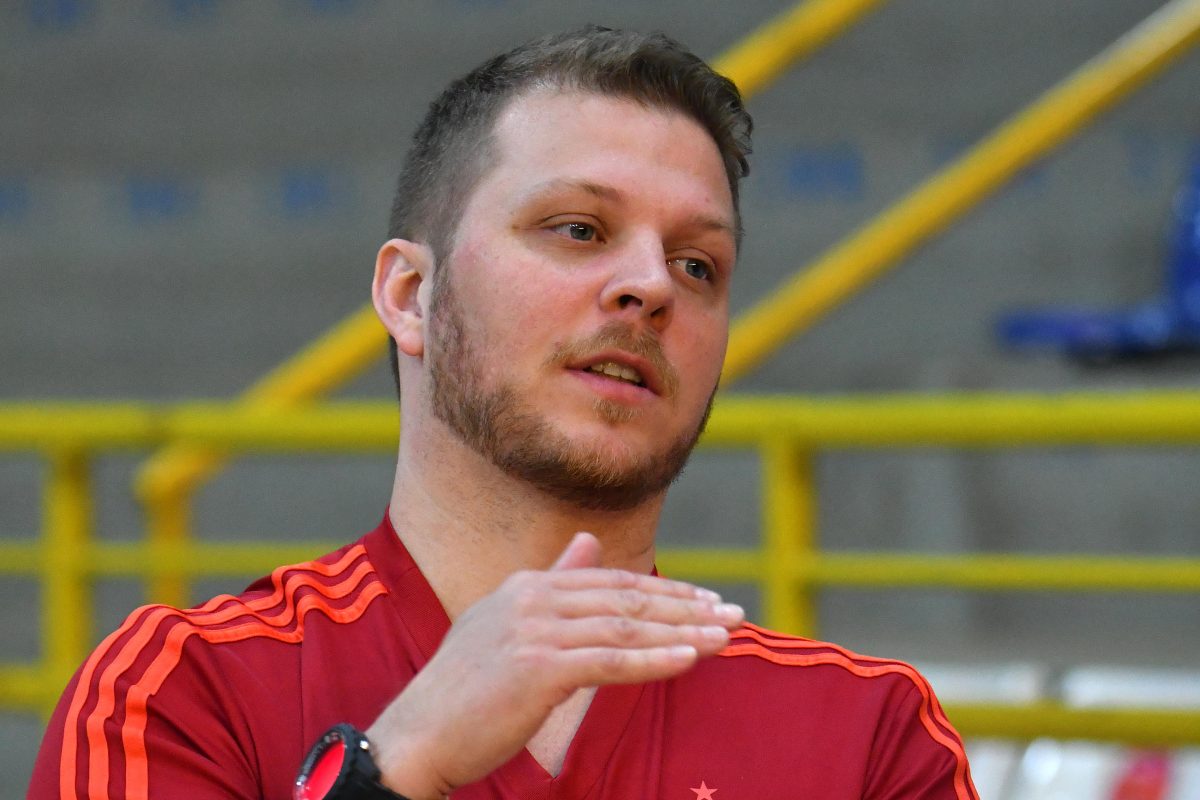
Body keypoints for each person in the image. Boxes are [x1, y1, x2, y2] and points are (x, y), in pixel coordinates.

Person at [31, 26, 978, 800]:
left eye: (698, 264)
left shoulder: (869, 735)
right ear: (410, 295)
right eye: (579, 229)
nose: (652, 286)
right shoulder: (182, 692)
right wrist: (399, 767)